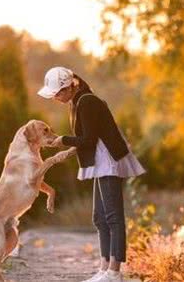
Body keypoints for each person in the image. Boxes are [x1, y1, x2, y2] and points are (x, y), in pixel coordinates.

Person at [38, 66, 146, 282]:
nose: (55, 98)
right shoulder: (78, 102)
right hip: (100, 160)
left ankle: (115, 272)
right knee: (99, 217)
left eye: (57, 93)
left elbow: (88, 139)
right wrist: (67, 149)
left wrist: (63, 140)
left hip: (108, 161)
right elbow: (89, 138)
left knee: (113, 216)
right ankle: (104, 268)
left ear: (69, 87)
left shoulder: (87, 101)